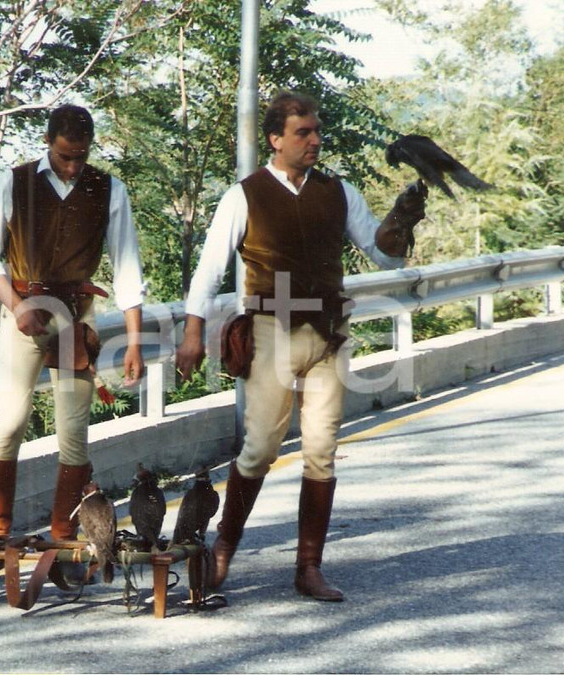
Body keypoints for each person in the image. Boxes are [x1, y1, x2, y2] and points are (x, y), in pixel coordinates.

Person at [175, 91, 426, 601]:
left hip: (328, 335)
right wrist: (193, 332)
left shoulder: (338, 191)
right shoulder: (243, 195)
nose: (314, 140)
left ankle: (308, 567)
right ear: (276, 139)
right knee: (262, 446)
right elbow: (209, 269)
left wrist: (401, 222)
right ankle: (224, 548)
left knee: (321, 451)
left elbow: (384, 258)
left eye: (316, 131)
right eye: (303, 133)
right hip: (270, 331)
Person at [0, 104, 145, 585]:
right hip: (22, 309)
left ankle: (66, 541)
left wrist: (132, 341)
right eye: (65, 156)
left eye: (81, 157)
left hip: (75, 318)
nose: (73, 166)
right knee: (10, 422)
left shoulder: (109, 189)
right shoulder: (16, 181)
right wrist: (15, 304)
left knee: (74, 433)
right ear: (49, 143)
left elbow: (127, 267)